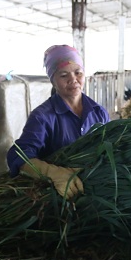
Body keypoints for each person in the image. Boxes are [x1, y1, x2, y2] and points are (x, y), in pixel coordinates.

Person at [7, 44, 110, 199]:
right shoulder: (42, 117)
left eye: (78, 72)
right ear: (53, 81)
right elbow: (18, 155)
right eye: (63, 75)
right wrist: (53, 173)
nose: (73, 79)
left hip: (96, 192)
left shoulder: (98, 112)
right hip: (60, 195)